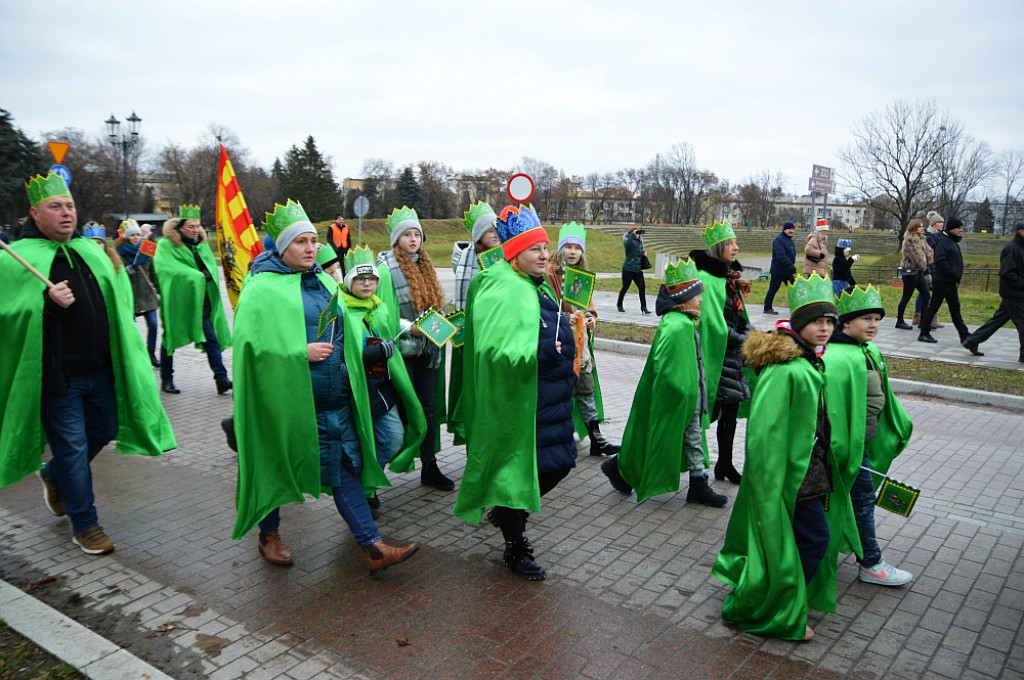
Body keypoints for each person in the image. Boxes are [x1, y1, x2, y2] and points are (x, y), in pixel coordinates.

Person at [231, 200, 418, 574]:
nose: (311, 248)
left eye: (313, 240)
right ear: (281, 248)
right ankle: (269, 534)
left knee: (344, 471)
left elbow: (342, 330)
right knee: (274, 464)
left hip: (333, 402)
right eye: (301, 242)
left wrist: (369, 351)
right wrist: (298, 352)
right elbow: (249, 348)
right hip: (287, 403)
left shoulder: (320, 281)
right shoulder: (261, 288)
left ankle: (372, 547)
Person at [0, 172, 175, 554]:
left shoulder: (92, 252)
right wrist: (45, 304)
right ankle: (86, 524)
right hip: (57, 377)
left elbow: (118, 305)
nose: (66, 214)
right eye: (55, 207)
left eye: (70, 206)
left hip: (101, 371)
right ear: (35, 213)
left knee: (106, 429)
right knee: (73, 449)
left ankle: (53, 476)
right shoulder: (16, 259)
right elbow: (7, 318)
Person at [453, 204, 577, 581]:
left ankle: (508, 512)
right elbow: (492, 346)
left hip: (546, 399)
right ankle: (514, 542)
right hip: (522, 402)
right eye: (534, 249)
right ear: (514, 254)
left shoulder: (531, 285)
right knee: (528, 467)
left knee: (560, 461)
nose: (544, 255)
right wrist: (539, 353)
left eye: (544, 248)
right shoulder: (503, 286)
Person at [712, 273, 838, 641]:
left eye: (830, 321)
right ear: (800, 325)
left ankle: (781, 596)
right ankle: (778, 606)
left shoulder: (806, 362)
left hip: (805, 471)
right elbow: (764, 435)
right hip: (788, 477)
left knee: (806, 539)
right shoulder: (786, 370)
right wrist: (772, 485)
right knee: (813, 539)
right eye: (817, 321)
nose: (825, 328)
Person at [600, 257, 727, 507]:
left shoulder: (686, 321)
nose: (701, 299)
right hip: (681, 398)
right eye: (697, 294)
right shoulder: (676, 325)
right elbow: (667, 367)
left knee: (691, 439)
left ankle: (698, 484)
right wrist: (683, 393)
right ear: (685, 296)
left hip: (691, 396)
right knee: (661, 438)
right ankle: (620, 467)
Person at [824, 285, 914, 587]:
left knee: (857, 497)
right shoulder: (840, 358)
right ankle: (871, 562)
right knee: (861, 499)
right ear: (846, 323)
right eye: (866, 319)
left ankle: (842, 547)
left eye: (877, 318)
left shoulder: (867, 350)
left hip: (862, 441)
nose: (874, 325)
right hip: (848, 447)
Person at [340, 244, 426, 515]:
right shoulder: (341, 311)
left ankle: (367, 481)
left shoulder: (379, 309)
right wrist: (371, 354)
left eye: (371, 279)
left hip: (381, 389)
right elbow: (342, 354)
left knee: (391, 438)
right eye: (360, 279)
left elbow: (391, 339)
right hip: (357, 392)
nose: (367, 284)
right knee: (364, 440)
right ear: (349, 282)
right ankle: (365, 491)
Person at [376, 206, 455, 491]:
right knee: (399, 410)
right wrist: (410, 327)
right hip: (400, 350)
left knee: (429, 408)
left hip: (427, 350)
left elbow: (432, 306)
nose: (413, 239)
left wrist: (443, 317)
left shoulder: (426, 266)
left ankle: (430, 466)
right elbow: (381, 311)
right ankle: (373, 476)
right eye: (407, 234)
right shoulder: (386, 269)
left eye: (416, 234)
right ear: (396, 239)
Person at [545, 221, 619, 457]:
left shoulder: (582, 276)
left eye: (577, 248)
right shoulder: (550, 274)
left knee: (585, 389)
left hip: (581, 345)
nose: (573, 252)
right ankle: (558, 438)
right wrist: (568, 317)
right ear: (561, 249)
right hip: (561, 341)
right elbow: (546, 307)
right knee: (561, 391)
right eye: (569, 247)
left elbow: (589, 309)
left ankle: (597, 439)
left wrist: (590, 319)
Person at [689, 221, 751, 485]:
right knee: (706, 415)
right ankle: (701, 471)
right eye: (731, 243)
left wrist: (750, 332)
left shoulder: (727, 277)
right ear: (719, 247)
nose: (736, 247)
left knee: (730, 413)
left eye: (737, 242)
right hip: (717, 356)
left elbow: (737, 315)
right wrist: (746, 340)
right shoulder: (709, 279)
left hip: (732, 356)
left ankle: (724, 463)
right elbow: (715, 326)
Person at [153, 205, 232, 394]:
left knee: (211, 339)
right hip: (179, 303)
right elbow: (166, 268)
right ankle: (167, 379)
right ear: (180, 228)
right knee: (170, 339)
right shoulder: (167, 245)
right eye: (191, 226)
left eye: (197, 226)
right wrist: (196, 276)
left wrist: (208, 273)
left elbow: (211, 267)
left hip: (201, 302)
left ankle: (221, 379)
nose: (195, 230)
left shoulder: (201, 245)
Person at [448, 201, 500, 444]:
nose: (496, 235)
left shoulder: (502, 259)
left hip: (492, 334)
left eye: (497, 230)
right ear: (480, 235)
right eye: (490, 231)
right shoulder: (467, 261)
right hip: (468, 333)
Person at [962, 221, 1024, 361]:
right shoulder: (1012, 249)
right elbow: (1007, 273)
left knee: (998, 320)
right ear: (1021, 231)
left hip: (1015, 293)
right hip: (1014, 293)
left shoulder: (1019, 248)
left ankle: (972, 341)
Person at [115, 219, 161, 366]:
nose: (136, 237)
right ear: (126, 237)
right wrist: (124, 272)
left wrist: (160, 291)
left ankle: (151, 353)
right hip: (130, 297)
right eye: (132, 235)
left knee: (153, 325)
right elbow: (115, 275)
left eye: (138, 234)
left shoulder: (147, 249)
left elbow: (153, 273)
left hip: (147, 296)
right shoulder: (119, 253)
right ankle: (133, 355)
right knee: (130, 329)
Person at [919, 218, 971, 344]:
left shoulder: (950, 241)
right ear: (952, 228)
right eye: (959, 228)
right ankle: (924, 332)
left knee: (954, 308)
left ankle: (964, 334)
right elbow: (940, 260)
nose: (961, 230)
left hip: (949, 281)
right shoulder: (944, 241)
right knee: (934, 307)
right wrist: (952, 273)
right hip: (943, 281)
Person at [894, 219, 933, 330]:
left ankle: (923, 321)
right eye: (920, 226)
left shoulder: (922, 239)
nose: (923, 228)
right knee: (906, 297)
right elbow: (917, 256)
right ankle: (899, 321)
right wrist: (925, 266)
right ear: (914, 228)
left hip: (920, 271)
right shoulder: (910, 240)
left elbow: (928, 252)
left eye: (922, 226)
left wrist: (928, 263)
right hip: (911, 271)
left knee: (926, 295)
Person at [763, 221, 796, 314]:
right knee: (773, 289)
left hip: (788, 271)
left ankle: (797, 306)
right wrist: (789, 264)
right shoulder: (779, 240)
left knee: (794, 288)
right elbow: (780, 255)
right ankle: (767, 308)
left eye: (793, 229)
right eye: (790, 229)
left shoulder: (790, 240)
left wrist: (791, 265)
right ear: (785, 229)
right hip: (778, 270)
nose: (792, 231)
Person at [616, 227, 650, 314]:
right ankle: (619, 305)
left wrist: (644, 254)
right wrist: (632, 235)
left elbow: (639, 251)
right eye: (637, 233)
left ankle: (644, 307)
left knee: (642, 287)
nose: (638, 235)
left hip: (637, 269)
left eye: (639, 233)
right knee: (625, 287)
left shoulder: (640, 242)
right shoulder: (628, 241)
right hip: (628, 268)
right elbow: (628, 246)